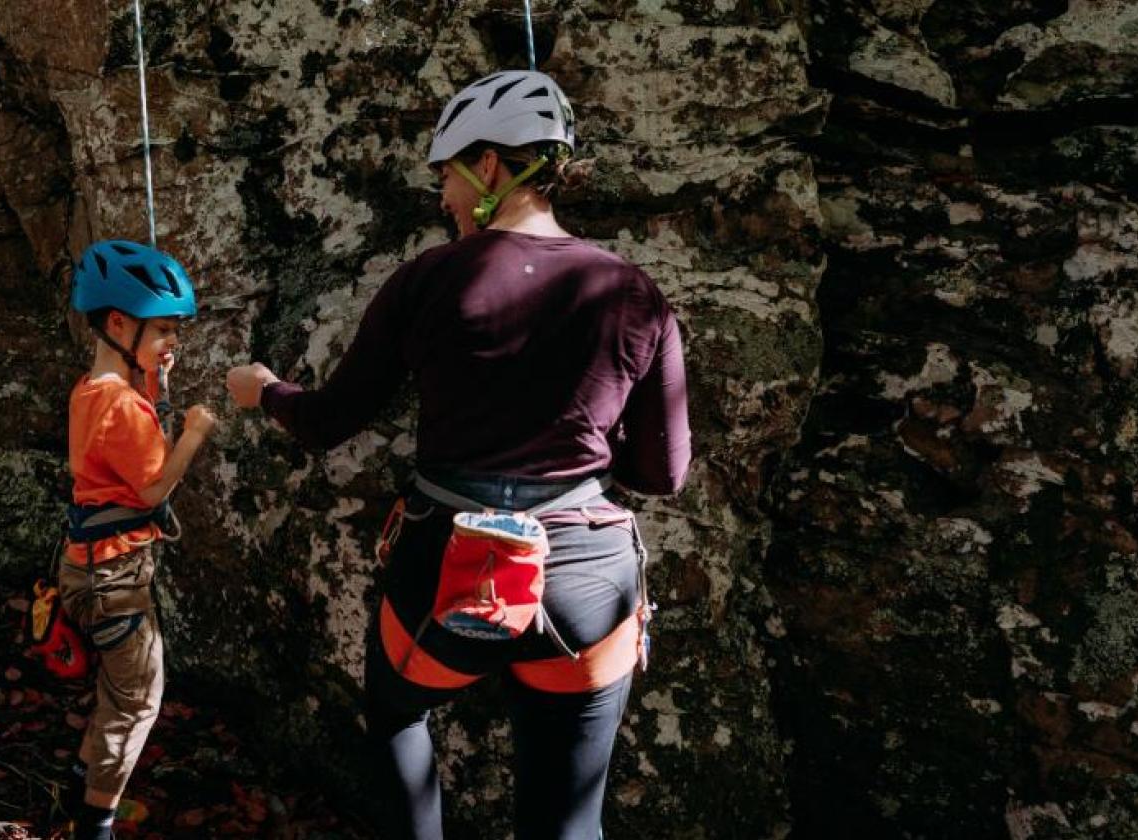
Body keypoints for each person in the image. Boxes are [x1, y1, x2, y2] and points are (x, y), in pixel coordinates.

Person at [225, 69, 690, 839]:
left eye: (447, 173)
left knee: (398, 717)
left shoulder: (429, 280)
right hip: (584, 579)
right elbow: (663, 473)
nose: (442, 196)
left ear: (493, 166)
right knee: (568, 823)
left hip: (447, 569)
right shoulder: (633, 294)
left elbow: (327, 421)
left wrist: (266, 390)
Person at [62, 239, 217, 840]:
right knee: (137, 702)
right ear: (119, 324)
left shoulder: (94, 390)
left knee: (118, 688)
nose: (171, 344)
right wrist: (196, 431)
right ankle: (95, 821)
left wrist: (153, 380)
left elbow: (126, 446)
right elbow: (152, 488)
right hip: (115, 578)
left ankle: (84, 782)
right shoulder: (120, 404)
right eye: (162, 333)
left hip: (93, 568)